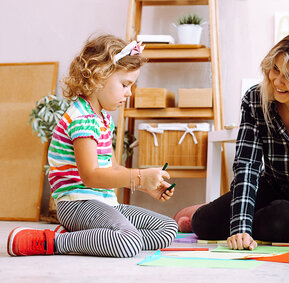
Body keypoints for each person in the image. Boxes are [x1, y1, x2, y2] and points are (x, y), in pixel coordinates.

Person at [7, 34, 178, 258]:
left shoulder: (102, 118)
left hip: (104, 203)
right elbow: (91, 176)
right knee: (129, 241)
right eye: (125, 84)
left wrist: (145, 185)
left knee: (167, 229)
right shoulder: (81, 119)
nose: (129, 93)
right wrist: (138, 176)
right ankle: (55, 241)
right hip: (78, 204)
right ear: (99, 77)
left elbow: (113, 169)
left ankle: (95, 238)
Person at [187, 32, 289, 251]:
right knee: (203, 223)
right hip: (272, 188)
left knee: (277, 220)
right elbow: (247, 166)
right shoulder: (254, 99)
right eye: (275, 69)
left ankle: (263, 218)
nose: (277, 81)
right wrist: (240, 228)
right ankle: (232, 216)